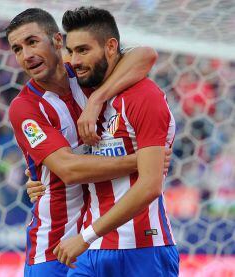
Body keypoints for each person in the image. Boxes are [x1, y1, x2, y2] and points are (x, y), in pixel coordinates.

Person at [5, 8, 162, 277]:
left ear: (57, 41)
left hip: (97, 242)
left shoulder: (86, 75)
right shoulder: (25, 107)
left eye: (32, 42)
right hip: (53, 250)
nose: (26, 55)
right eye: (17, 49)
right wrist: (143, 162)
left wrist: (97, 99)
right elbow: (69, 170)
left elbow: (145, 55)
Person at [50, 7, 179, 277]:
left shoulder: (145, 96)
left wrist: (85, 236)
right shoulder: (81, 94)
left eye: (83, 50)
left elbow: (150, 186)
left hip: (143, 248)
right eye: (71, 51)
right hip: (89, 252)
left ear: (111, 47)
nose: (74, 60)